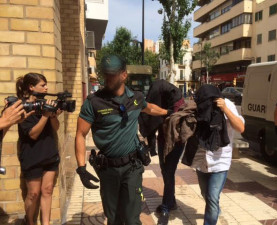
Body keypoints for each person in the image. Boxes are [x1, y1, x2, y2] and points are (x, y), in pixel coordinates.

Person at [75, 55, 170, 225]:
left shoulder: (136, 97)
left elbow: (149, 109)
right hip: (108, 169)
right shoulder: (94, 102)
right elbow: (80, 135)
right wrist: (81, 168)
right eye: (105, 74)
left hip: (132, 167)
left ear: (123, 75)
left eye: (112, 74)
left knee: (132, 219)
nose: (107, 78)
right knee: (114, 219)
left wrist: (167, 112)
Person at [186, 84, 244, 225]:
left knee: (212, 198)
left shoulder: (227, 104)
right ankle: (215, 209)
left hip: (220, 161)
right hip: (202, 160)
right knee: (205, 194)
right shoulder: (198, 105)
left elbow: (241, 127)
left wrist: (224, 109)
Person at [16, 73, 62, 225]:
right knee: (33, 194)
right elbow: (33, 134)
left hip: (49, 154)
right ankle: (29, 222)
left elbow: (56, 128)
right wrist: (45, 116)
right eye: (43, 85)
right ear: (31, 87)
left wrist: (53, 115)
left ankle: (46, 223)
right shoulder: (23, 107)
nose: (46, 88)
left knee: (47, 190)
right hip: (32, 157)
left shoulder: (45, 104)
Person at [138, 79, 185, 225]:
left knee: (169, 173)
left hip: (175, 144)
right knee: (165, 172)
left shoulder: (178, 102)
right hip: (163, 141)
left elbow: (176, 123)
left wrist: (164, 115)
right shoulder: (163, 102)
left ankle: (165, 209)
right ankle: (172, 202)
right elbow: (149, 112)